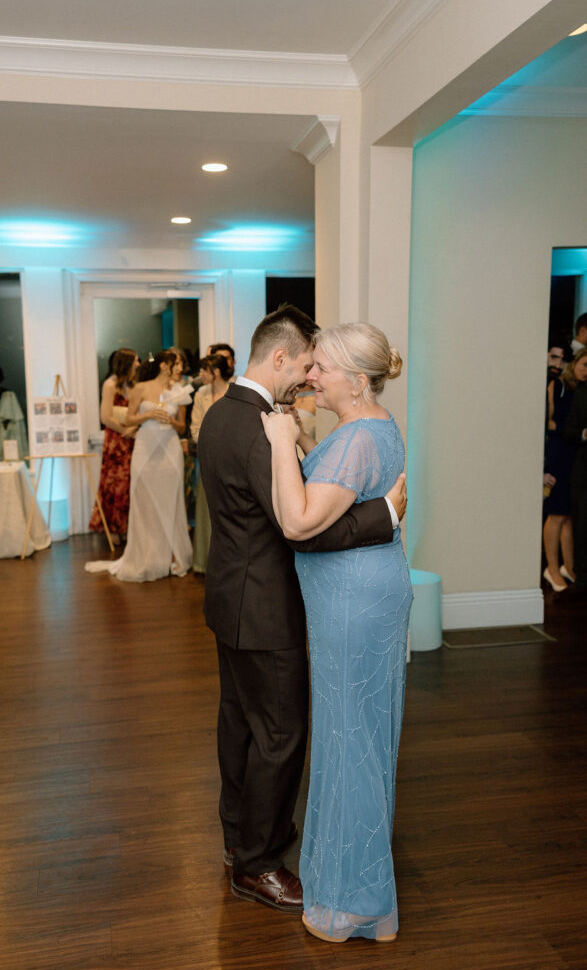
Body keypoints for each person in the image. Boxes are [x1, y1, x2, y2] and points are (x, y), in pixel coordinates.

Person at [197, 304, 406, 916]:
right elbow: (303, 530)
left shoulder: (220, 413)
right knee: (280, 736)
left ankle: (240, 841)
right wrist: (383, 516)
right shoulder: (263, 426)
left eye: (324, 367)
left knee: (239, 724)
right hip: (267, 609)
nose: (308, 378)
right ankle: (259, 865)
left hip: (231, 598)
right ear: (280, 357)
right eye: (306, 365)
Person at [261, 322, 412, 943]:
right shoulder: (372, 428)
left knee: (352, 744)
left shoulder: (355, 438)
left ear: (355, 379)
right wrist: (298, 447)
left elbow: (297, 522)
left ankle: (357, 903)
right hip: (361, 598)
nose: (309, 374)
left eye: (320, 366)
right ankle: (361, 895)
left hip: (354, 605)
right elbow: (330, 501)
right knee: (361, 741)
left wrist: (278, 439)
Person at [85, 349, 192, 582]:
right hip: (145, 447)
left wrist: (171, 420)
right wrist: (149, 416)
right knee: (143, 501)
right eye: (177, 364)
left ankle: (173, 556)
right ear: (164, 365)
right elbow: (130, 418)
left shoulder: (180, 391)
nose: (181, 369)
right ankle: (146, 556)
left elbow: (182, 427)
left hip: (169, 449)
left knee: (170, 501)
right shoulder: (140, 388)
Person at [543, 348, 587, 591]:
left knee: (569, 515)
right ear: (575, 364)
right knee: (557, 514)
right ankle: (551, 567)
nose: (585, 370)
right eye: (583, 364)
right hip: (559, 454)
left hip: (575, 456)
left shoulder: (578, 390)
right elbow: (546, 422)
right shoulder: (557, 386)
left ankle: (567, 566)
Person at [89, 348, 140, 540]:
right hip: (116, 441)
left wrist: (134, 429)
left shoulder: (135, 385)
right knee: (114, 483)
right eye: (135, 360)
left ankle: (127, 527)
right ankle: (113, 528)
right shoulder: (110, 385)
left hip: (132, 438)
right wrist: (125, 430)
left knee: (130, 484)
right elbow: (105, 416)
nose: (138, 364)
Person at [190, 354, 231, 573]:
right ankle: (204, 561)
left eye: (204, 370)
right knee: (206, 508)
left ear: (215, 371)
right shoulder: (201, 395)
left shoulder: (234, 391)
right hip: (208, 458)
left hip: (232, 459)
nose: (201, 375)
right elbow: (195, 428)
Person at [564, 348, 587, 588]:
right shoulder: (580, 395)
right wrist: (583, 433)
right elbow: (568, 430)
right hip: (582, 472)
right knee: (581, 525)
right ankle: (582, 575)